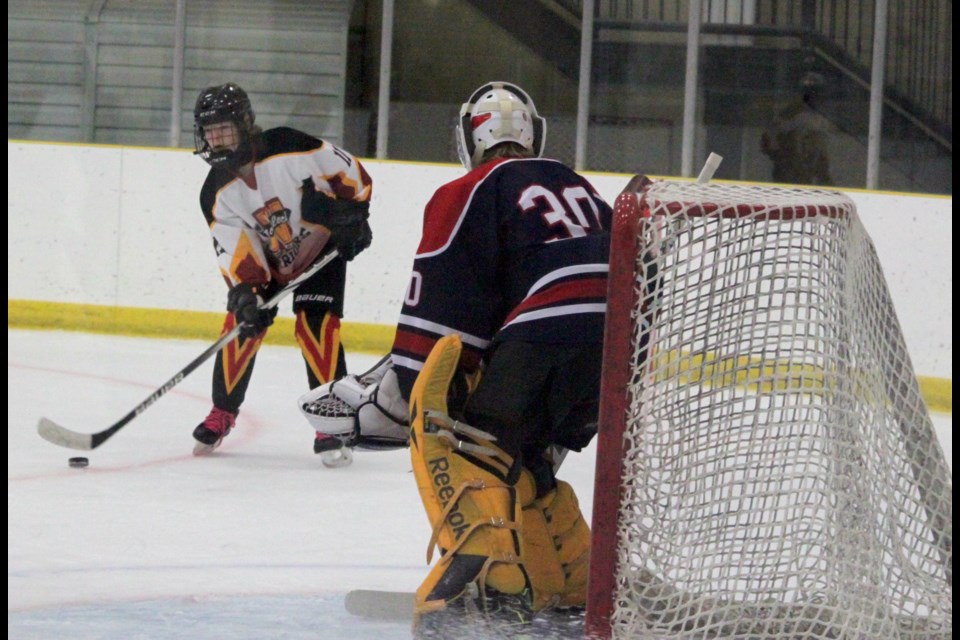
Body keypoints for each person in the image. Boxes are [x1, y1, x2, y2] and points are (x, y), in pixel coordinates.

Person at [300, 81, 647, 636]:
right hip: (619, 354)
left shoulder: (468, 190)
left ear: (468, 138)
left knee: (461, 439)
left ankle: (484, 574)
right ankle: (568, 573)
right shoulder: (579, 187)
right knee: (521, 451)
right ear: (534, 134)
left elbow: (438, 321)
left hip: (545, 336)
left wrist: (388, 405)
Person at [191, 82, 373, 461]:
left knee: (314, 324)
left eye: (224, 128)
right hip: (271, 262)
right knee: (242, 325)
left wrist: (354, 214)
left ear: (244, 124)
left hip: (322, 246)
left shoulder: (289, 145)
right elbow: (237, 249)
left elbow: (350, 172)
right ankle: (222, 412)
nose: (217, 139)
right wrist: (247, 291)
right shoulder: (215, 194)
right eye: (210, 131)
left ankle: (331, 419)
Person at [760, 71, 834, 186]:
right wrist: (784, 159)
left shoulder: (821, 118)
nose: (813, 96)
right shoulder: (791, 113)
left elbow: (820, 150)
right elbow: (770, 138)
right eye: (810, 91)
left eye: (816, 92)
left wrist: (823, 175)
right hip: (789, 172)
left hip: (804, 173)